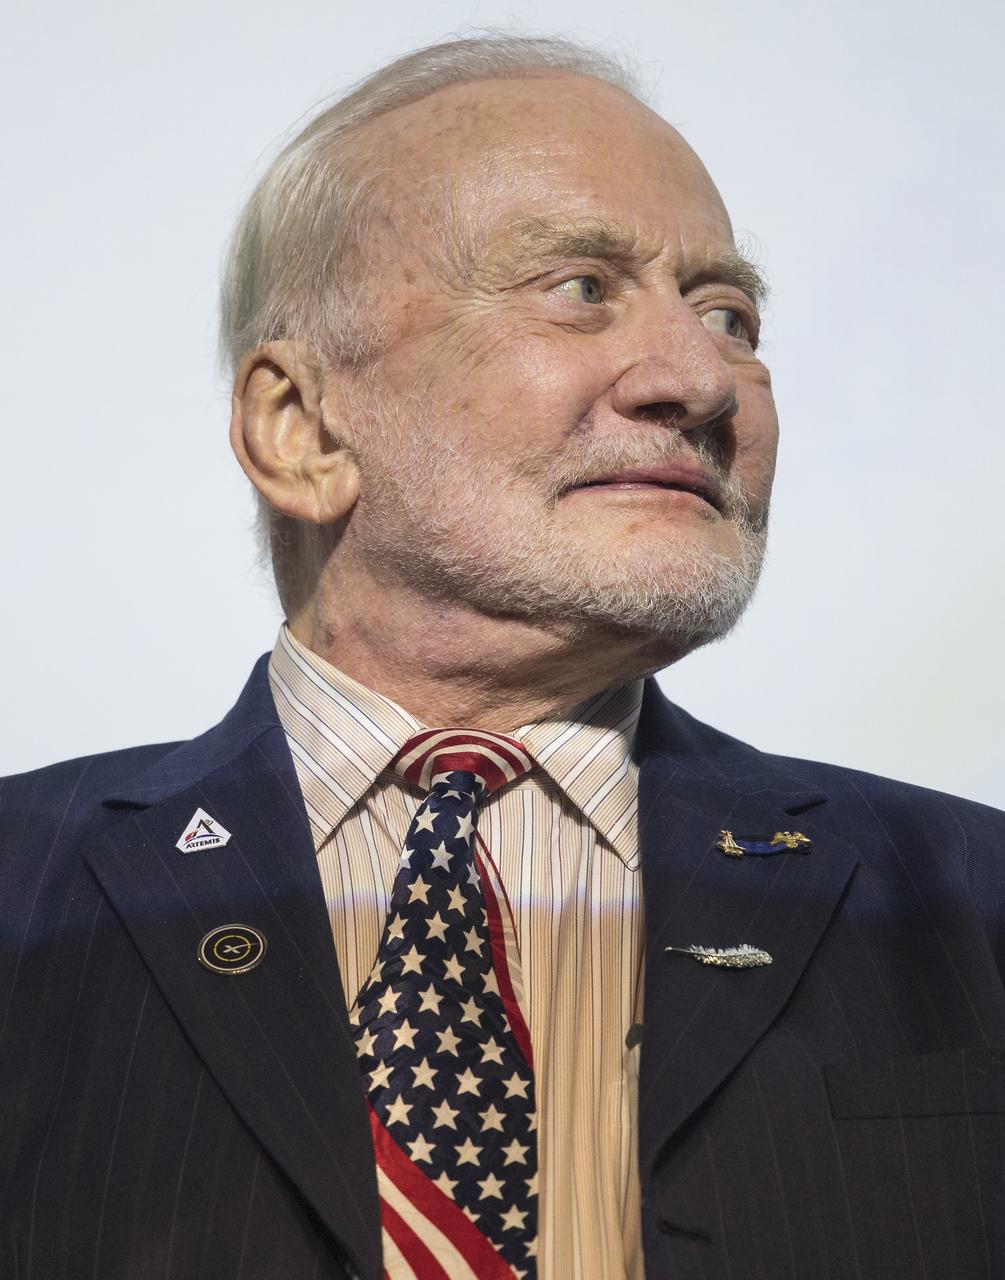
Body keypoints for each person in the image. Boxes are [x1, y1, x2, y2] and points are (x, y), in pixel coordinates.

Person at [1, 32, 1003, 1280]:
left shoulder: (972, 897)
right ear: (302, 428)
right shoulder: (21, 896)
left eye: (729, 313)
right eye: (580, 287)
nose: (701, 379)